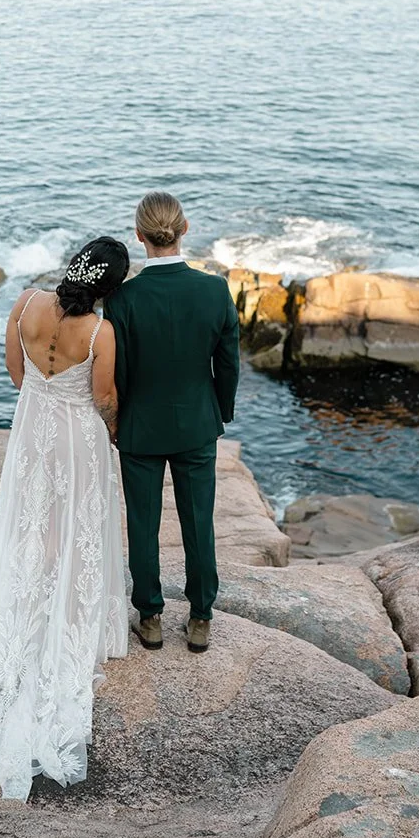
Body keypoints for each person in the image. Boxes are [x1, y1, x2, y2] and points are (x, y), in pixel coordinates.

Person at [0, 236, 132, 800]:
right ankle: (68, 607)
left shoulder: (25, 302)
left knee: (29, 521)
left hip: (32, 428)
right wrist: (116, 434)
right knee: (74, 525)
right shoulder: (101, 333)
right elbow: (104, 398)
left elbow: (14, 371)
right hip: (78, 438)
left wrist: (43, 404)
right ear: (109, 287)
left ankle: (27, 602)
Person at [104, 192, 240, 655]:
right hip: (197, 425)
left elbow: (116, 372)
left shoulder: (122, 298)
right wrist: (219, 412)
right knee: (198, 523)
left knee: (143, 524)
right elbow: (228, 364)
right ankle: (200, 617)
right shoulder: (215, 290)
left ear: (139, 235)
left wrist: (116, 421)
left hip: (140, 428)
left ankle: (151, 616)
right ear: (186, 229)